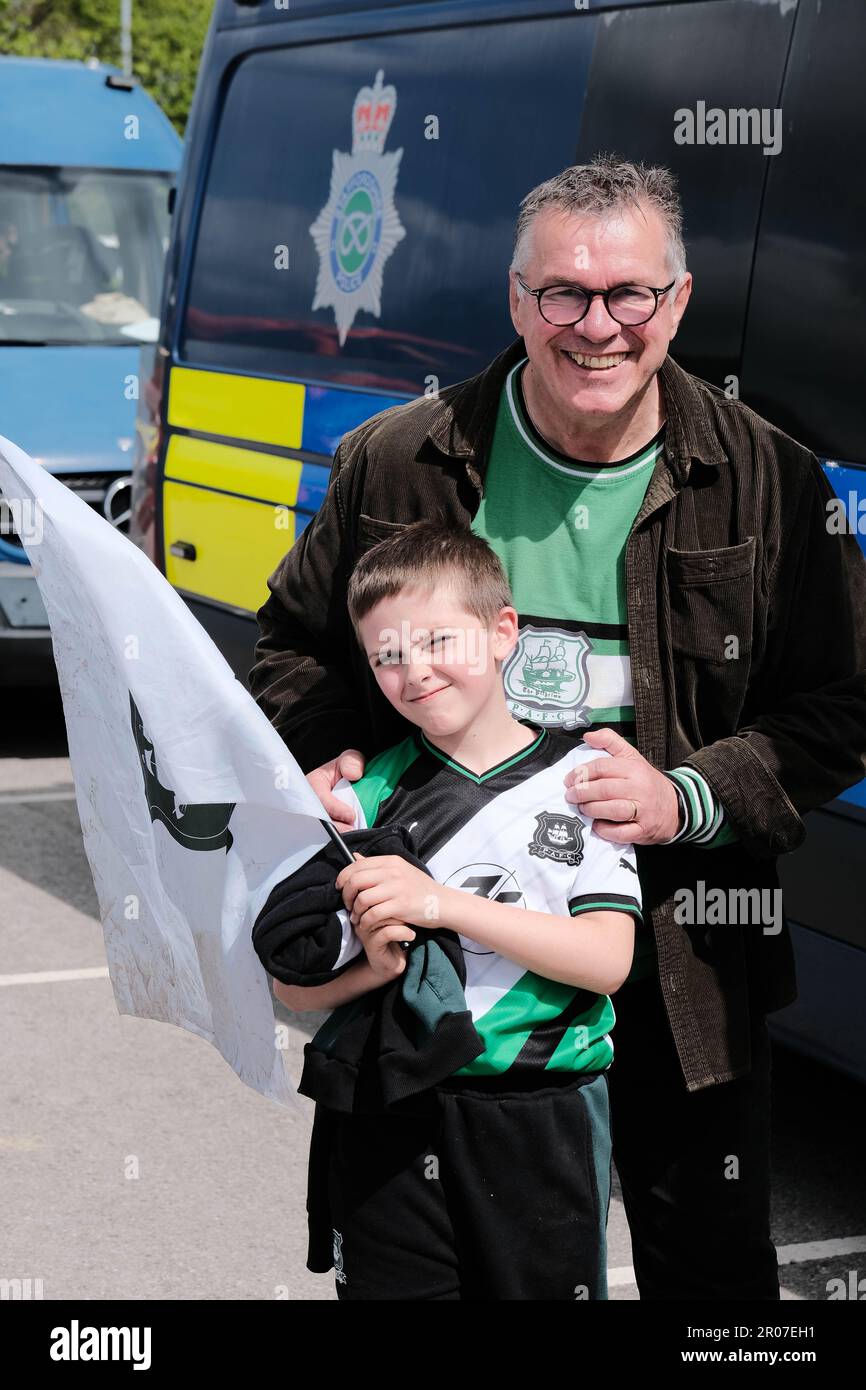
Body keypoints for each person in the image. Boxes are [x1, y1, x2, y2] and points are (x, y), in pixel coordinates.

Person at [250, 154, 866, 1299]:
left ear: (675, 303)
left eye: (628, 293)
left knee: (713, 1277)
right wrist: (333, 743)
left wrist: (689, 796)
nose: (597, 325)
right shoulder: (401, 461)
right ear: (515, 301)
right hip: (440, 964)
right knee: (435, 1273)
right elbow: (289, 645)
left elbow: (839, 702)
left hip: (683, 952)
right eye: (562, 295)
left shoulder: (771, 482)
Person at [271, 520, 642, 1300]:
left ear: (503, 630)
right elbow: (293, 989)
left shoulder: (586, 782)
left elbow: (607, 961)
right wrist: (371, 968)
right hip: (386, 1114)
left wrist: (441, 903)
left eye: (438, 641)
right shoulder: (358, 799)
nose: (415, 673)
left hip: (541, 1116)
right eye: (387, 657)